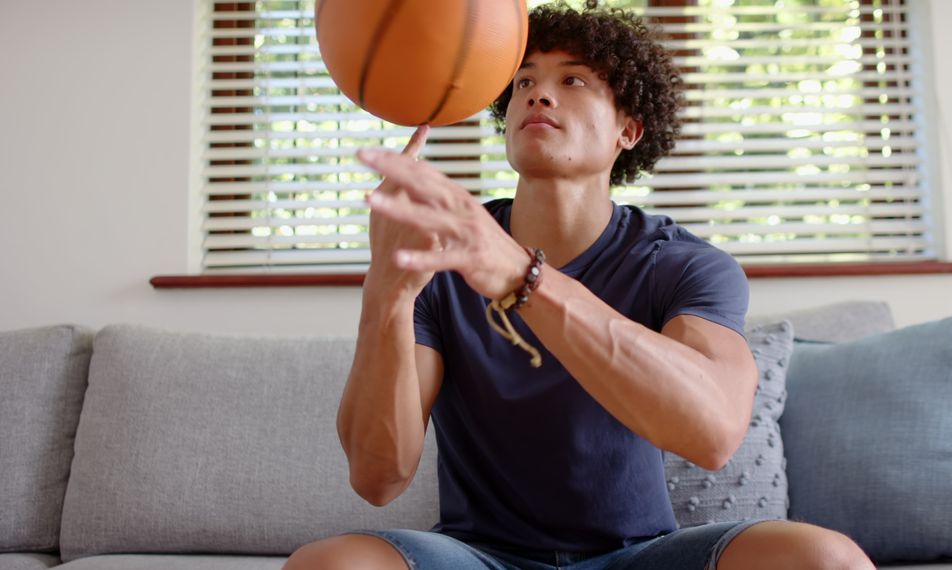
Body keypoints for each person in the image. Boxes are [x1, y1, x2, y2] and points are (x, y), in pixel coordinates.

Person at [286, 2, 874, 569]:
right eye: (522, 81)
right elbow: (378, 478)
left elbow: (714, 432)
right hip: (481, 557)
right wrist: (387, 290)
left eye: (574, 81)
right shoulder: (443, 258)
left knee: (827, 560)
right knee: (329, 565)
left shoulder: (681, 264)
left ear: (630, 128)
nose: (538, 93)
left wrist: (523, 277)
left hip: (639, 555)